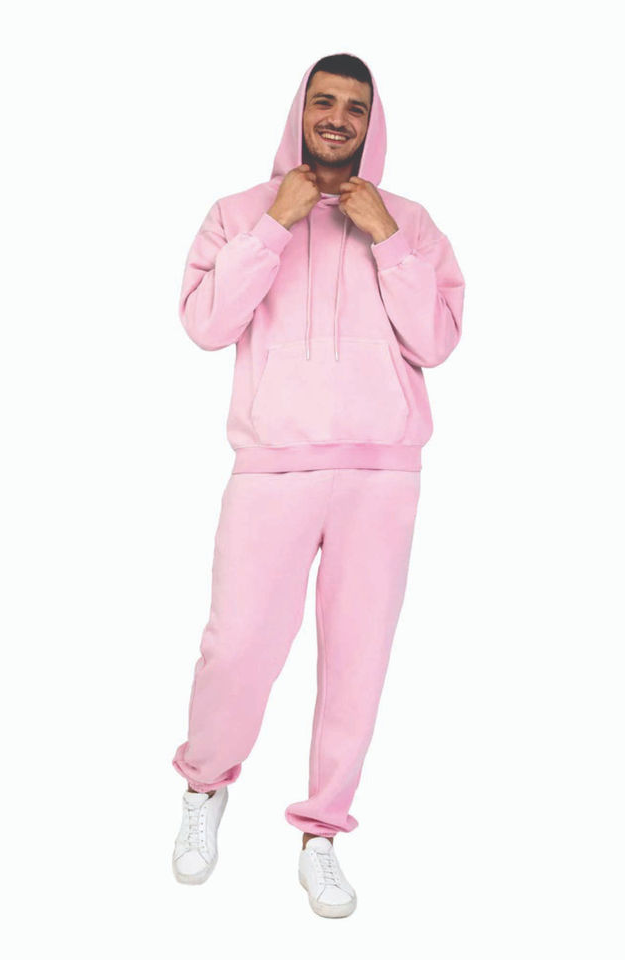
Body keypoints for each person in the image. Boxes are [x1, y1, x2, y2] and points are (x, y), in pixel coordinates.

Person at [170, 52, 465, 918]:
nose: (338, 118)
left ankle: (323, 832)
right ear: (300, 111)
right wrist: (275, 226)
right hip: (274, 467)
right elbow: (206, 325)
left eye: (355, 107)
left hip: (381, 475)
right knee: (238, 648)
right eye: (324, 101)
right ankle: (204, 784)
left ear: (373, 123)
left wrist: (388, 239)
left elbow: (438, 341)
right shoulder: (237, 213)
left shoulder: (411, 222)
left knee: (357, 662)